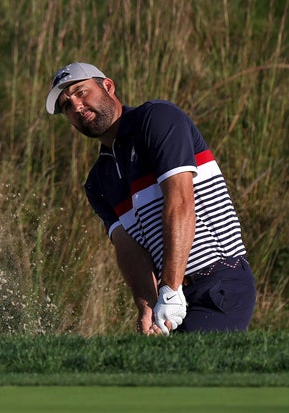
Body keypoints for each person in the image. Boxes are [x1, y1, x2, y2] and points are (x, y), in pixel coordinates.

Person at [45, 62, 256, 335]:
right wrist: (147, 305)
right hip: (173, 297)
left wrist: (169, 288)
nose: (76, 107)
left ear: (108, 86)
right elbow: (128, 248)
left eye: (81, 92)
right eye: (66, 106)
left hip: (218, 280)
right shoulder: (98, 181)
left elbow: (180, 202)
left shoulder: (157, 119)